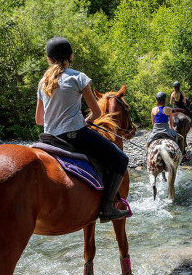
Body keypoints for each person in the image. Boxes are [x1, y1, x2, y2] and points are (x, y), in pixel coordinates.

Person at [35, 37, 130, 223]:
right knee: (121, 159)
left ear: (49, 59)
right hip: (74, 135)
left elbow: (39, 120)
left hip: (49, 137)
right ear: (70, 57)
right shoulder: (78, 77)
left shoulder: (43, 82)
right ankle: (107, 207)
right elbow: (96, 112)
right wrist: (84, 121)